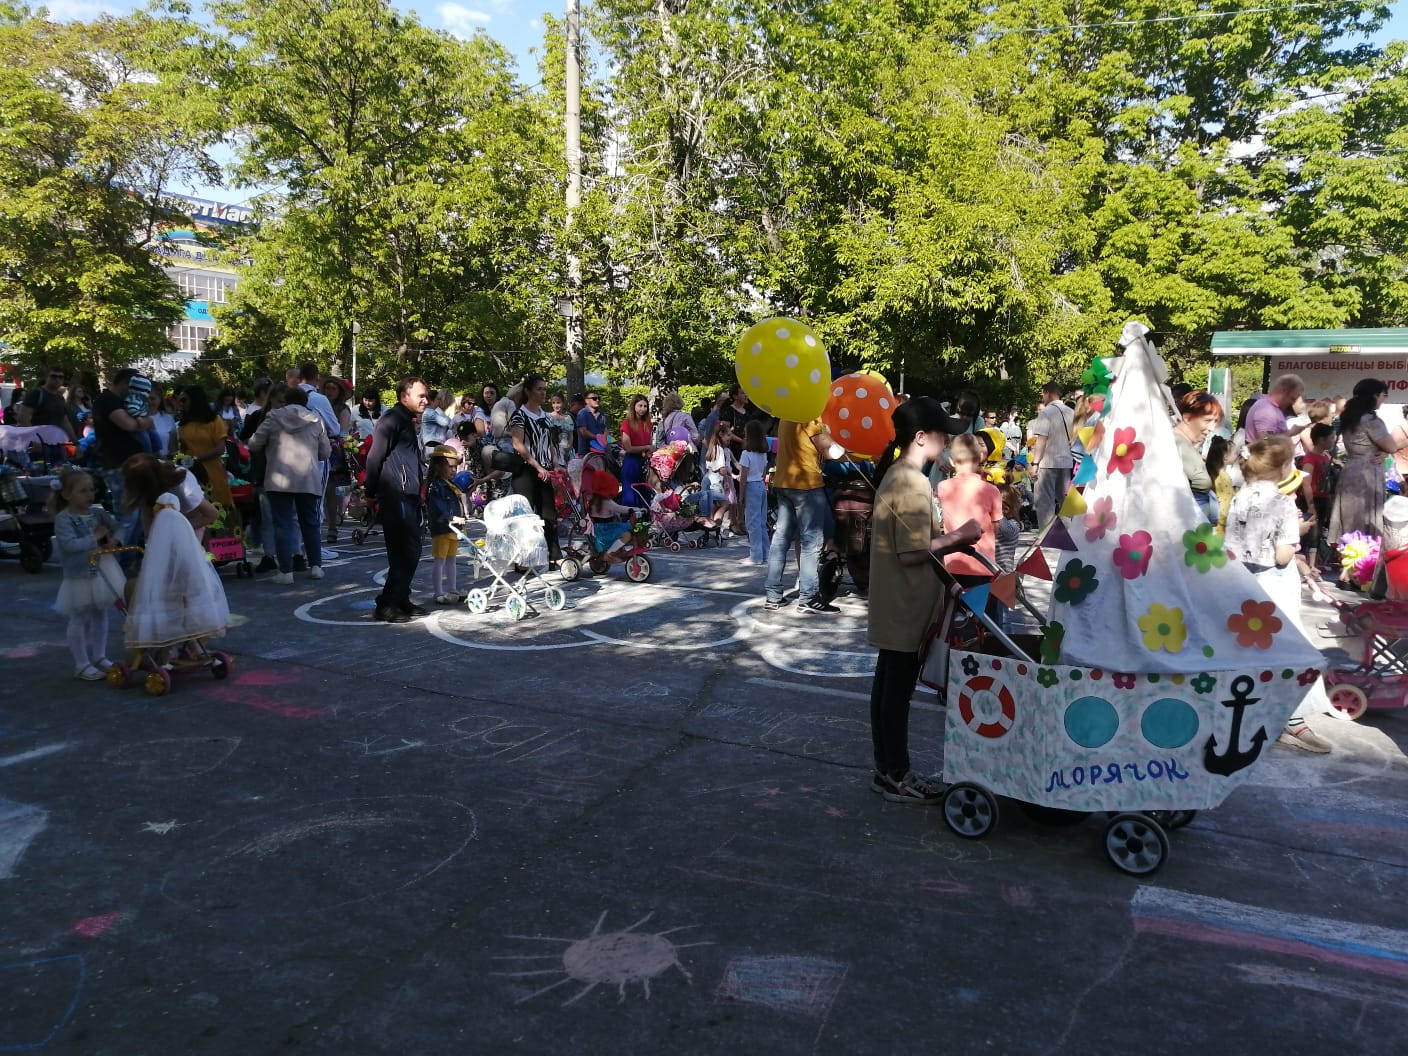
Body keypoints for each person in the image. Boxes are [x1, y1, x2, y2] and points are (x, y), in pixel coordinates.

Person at [868, 397, 982, 803]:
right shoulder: (911, 481)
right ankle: (896, 773)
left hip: (898, 603)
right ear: (921, 437)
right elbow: (911, 552)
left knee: (888, 689)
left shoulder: (899, 475)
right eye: (942, 435)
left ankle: (887, 770)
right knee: (895, 694)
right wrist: (959, 536)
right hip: (905, 604)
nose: (947, 442)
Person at [1224, 435, 1332, 754]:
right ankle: (1290, 719)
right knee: (1289, 650)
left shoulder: (1239, 496)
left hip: (1242, 585)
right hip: (1275, 587)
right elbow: (1282, 556)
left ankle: (1248, 715)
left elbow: (1232, 546)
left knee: (1247, 652)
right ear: (1284, 467)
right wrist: (1295, 535)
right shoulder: (1283, 502)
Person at [120, 454, 230, 653]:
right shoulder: (149, 494)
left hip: (187, 535)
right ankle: (170, 641)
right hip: (164, 538)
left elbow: (211, 514)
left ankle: (191, 640)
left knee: (185, 589)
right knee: (165, 590)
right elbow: (147, 522)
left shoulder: (183, 485)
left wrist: (174, 529)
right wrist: (152, 547)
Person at [248, 385, 329, 584]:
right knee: (310, 523)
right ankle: (316, 566)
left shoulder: (274, 417)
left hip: (279, 478)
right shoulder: (316, 419)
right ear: (305, 402)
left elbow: (254, 443)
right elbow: (325, 452)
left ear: (286, 400)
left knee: (282, 524)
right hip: (308, 478)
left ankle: (286, 572)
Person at [365, 377, 429, 623]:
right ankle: (386, 603)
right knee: (403, 550)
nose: (425, 400)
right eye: (420, 396)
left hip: (409, 495)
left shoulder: (407, 420)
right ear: (404, 396)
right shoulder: (391, 419)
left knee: (411, 550)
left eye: (426, 395)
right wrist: (370, 492)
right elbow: (374, 458)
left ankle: (401, 597)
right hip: (395, 494)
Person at [51, 469, 123, 680]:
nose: (89, 495)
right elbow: (70, 545)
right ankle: (81, 663)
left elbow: (120, 527)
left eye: (91, 489)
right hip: (80, 573)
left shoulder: (99, 513)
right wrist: (95, 537)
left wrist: (114, 540)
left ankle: (99, 656)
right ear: (66, 495)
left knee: (101, 613)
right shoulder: (64, 519)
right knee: (80, 616)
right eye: (83, 491)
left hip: (102, 570)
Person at [764, 414, 835, 614]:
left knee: (781, 539)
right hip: (806, 485)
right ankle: (808, 597)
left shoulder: (788, 416)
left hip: (784, 482)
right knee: (811, 542)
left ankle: (773, 595)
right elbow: (829, 451)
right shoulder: (811, 418)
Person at [935, 433, 1003, 620]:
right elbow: (997, 527)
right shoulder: (991, 490)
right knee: (986, 621)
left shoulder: (943, 487)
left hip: (952, 563)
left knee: (953, 620)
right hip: (983, 564)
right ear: (980, 456)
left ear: (951, 459)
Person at [1329, 379, 1400, 549]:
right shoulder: (1371, 420)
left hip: (1351, 468)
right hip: (1368, 471)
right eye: (1384, 395)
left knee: (1349, 516)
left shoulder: (1348, 417)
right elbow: (1391, 445)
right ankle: (1363, 563)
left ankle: (1347, 559)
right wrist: (1385, 451)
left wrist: (1383, 452)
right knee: (1366, 517)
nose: (1384, 400)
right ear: (1375, 395)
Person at [509, 374, 562, 568]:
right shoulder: (519, 415)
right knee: (526, 516)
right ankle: (522, 558)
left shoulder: (546, 417)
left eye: (544, 389)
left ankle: (554, 554)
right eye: (539, 389)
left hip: (546, 471)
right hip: (526, 470)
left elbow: (551, 444)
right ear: (528, 391)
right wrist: (536, 464)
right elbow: (517, 443)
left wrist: (555, 464)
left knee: (549, 513)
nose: (543, 393)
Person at [93, 368, 157, 526]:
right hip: (118, 464)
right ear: (124, 383)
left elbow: (146, 418)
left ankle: (134, 549)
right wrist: (145, 423)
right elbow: (128, 424)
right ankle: (124, 549)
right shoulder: (107, 400)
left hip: (133, 464)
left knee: (138, 516)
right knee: (126, 516)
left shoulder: (126, 402)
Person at [176, 385, 233, 508]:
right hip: (191, 475)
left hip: (213, 472)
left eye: (184, 400)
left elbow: (220, 449)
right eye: (180, 400)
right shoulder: (183, 425)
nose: (181, 404)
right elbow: (183, 449)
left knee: (219, 513)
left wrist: (195, 459)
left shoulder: (214, 421)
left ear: (195, 400)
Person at [1173, 390, 1224, 524]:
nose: (1212, 428)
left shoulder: (1183, 443)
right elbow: (1200, 482)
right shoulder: (1176, 442)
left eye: (1215, 422)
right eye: (1207, 421)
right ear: (1188, 418)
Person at [1028, 381, 1074, 526]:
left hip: (1047, 462)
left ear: (1047, 393)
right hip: (1066, 461)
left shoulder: (1046, 412)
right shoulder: (1071, 412)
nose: (1042, 397)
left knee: (1045, 502)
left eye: (1043, 393)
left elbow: (1041, 439)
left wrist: (1035, 463)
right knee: (1065, 500)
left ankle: (1045, 536)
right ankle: (1070, 532)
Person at [425, 444, 465, 603]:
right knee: (440, 561)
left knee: (451, 560)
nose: (454, 470)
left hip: (453, 529)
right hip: (442, 528)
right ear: (439, 466)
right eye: (450, 467)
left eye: (456, 467)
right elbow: (437, 507)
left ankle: (452, 588)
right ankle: (438, 592)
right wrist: (452, 518)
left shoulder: (450, 484)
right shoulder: (436, 486)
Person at [321, 376, 354, 543]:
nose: (330, 391)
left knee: (331, 490)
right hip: (317, 446)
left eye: (334, 388)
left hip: (335, 451)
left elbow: (343, 431)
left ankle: (332, 526)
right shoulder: (319, 405)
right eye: (328, 388)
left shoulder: (342, 409)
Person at [20, 365, 76, 463]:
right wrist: (35, 440)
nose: (57, 379)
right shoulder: (36, 394)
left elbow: (64, 421)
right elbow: (22, 417)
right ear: (46, 378)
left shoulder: (60, 398)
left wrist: (75, 443)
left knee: (60, 474)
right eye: (53, 376)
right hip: (39, 445)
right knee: (41, 476)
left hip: (58, 444)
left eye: (60, 377)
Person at [737, 420, 769, 565]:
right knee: (761, 521)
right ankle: (765, 552)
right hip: (761, 485)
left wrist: (741, 495)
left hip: (751, 486)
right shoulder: (762, 454)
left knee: (752, 522)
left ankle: (756, 556)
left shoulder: (746, 454)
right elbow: (763, 472)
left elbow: (743, 476)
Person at [699, 419, 739, 532]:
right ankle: (715, 527)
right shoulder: (720, 450)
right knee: (725, 504)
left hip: (708, 479)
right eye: (728, 435)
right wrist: (729, 478)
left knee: (715, 505)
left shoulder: (712, 448)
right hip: (716, 481)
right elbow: (722, 469)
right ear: (720, 435)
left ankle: (711, 527)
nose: (730, 438)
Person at [1244, 374, 1307, 444]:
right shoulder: (1267, 410)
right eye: (1292, 398)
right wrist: (1291, 432)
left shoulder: (1271, 407)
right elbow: (1265, 440)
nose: (1292, 403)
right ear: (1284, 391)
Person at [588, 472, 636, 561]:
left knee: (627, 528)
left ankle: (617, 550)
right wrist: (636, 509)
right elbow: (620, 508)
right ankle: (610, 553)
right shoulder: (606, 502)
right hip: (605, 531)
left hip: (601, 529)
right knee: (626, 535)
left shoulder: (593, 500)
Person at [619, 395, 653, 506]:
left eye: (645, 406)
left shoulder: (648, 424)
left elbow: (649, 443)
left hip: (644, 462)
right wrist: (646, 447)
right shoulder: (627, 424)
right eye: (640, 406)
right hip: (631, 462)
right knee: (630, 495)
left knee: (645, 493)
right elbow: (628, 448)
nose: (643, 409)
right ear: (634, 407)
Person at [547, 393, 575, 468]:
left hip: (568, 450)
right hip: (555, 451)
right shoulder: (548, 417)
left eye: (558, 402)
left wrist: (569, 447)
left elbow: (571, 435)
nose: (556, 405)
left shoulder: (568, 418)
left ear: (563, 403)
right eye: (553, 403)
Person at [574, 390, 606, 456]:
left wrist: (606, 439)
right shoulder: (582, 413)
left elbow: (605, 430)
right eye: (594, 398)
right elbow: (584, 432)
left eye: (598, 398)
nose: (597, 400)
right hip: (586, 453)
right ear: (586, 401)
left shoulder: (602, 415)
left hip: (601, 451)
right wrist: (599, 437)